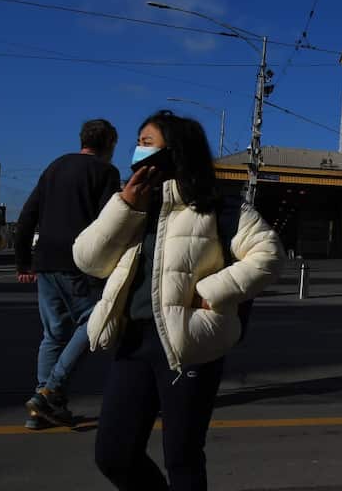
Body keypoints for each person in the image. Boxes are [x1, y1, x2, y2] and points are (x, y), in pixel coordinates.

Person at [75, 110, 280, 490]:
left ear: (175, 151)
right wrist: (124, 206)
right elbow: (88, 259)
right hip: (133, 341)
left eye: (146, 143)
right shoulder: (134, 204)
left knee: (182, 457)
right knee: (114, 454)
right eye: (137, 143)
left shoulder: (220, 208)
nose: (138, 151)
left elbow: (268, 256)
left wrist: (210, 290)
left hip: (190, 343)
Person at [15, 118, 120, 430]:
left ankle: (41, 407)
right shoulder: (106, 172)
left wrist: (24, 261)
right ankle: (53, 390)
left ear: (82, 139)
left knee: (54, 333)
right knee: (93, 321)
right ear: (109, 144)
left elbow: (27, 215)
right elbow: (108, 223)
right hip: (78, 260)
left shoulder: (56, 166)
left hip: (45, 258)